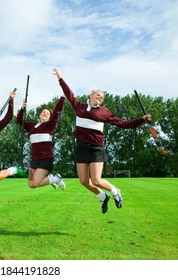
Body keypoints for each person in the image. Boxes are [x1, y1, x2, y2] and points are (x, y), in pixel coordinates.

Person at [53, 68, 151, 213]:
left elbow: (123, 124)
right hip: (81, 147)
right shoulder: (79, 106)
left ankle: (115, 190)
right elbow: (69, 93)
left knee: (97, 180)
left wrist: (141, 120)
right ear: (90, 95)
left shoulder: (104, 112)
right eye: (98, 95)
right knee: (84, 181)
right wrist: (60, 79)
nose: (100, 97)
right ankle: (103, 196)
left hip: (96, 148)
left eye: (102, 97)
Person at [16, 95, 66, 190]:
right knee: (31, 185)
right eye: (43, 112)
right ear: (39, 115)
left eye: (48, 113)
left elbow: (56, 114)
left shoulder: (49, 126)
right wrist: (23, 108)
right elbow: (19, 120)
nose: (45, 114)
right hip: (34, 158)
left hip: (45, 158)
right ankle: (50, 178)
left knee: (36, 182)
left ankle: (55, 179)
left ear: (50, 118)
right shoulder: (32, 126)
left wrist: (62, 99)